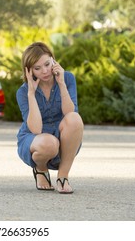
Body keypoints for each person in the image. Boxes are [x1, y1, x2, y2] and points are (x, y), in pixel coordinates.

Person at [16, 42, 84, 194]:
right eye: (37, 68)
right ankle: (40, 169)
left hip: (63, 136)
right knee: (49, 144)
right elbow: (35, 129)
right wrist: (31, 94)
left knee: (75, 118)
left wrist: (61, 84)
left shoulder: (67, 78)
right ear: (29, 70)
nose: (45, 71)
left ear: (53, 60)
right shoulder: (23, 92)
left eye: (47, 64)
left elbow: (69, 113)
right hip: (36, 140)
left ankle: (63, 177)